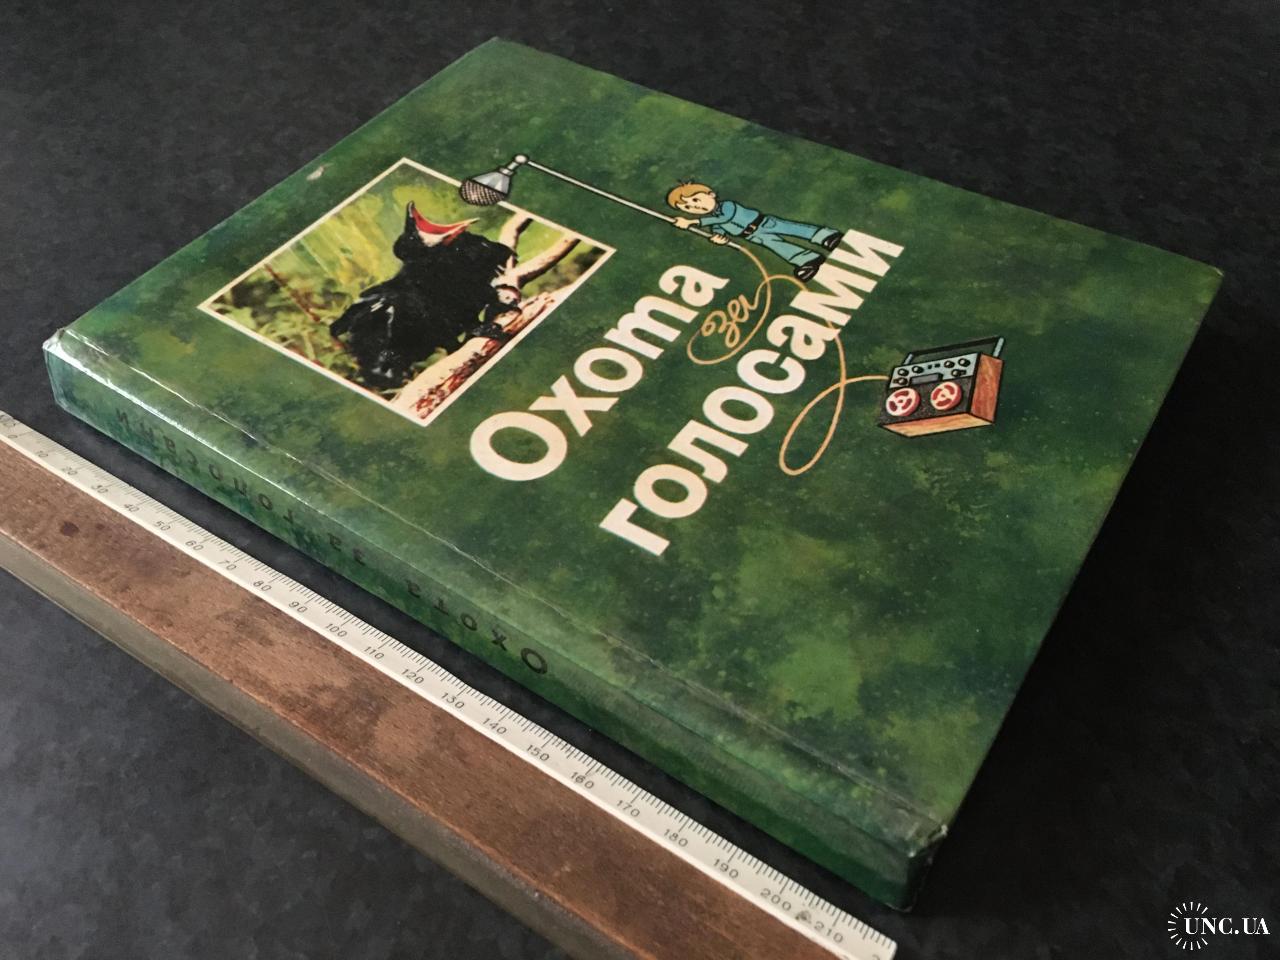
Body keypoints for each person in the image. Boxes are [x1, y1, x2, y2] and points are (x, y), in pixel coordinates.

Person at [666, 181, 840, 281]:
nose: (695, 207)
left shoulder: (727, 206)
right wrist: (719, 239)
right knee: (778, 247)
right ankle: (808, 260)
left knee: (793, 229)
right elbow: (719, 229)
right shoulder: (713, 221)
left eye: (695, 200)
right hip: (753, 236)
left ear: (710, 194)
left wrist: (693, 222)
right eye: (688, 207)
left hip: (763, 223)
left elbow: (724, 218)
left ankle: (826, 236)